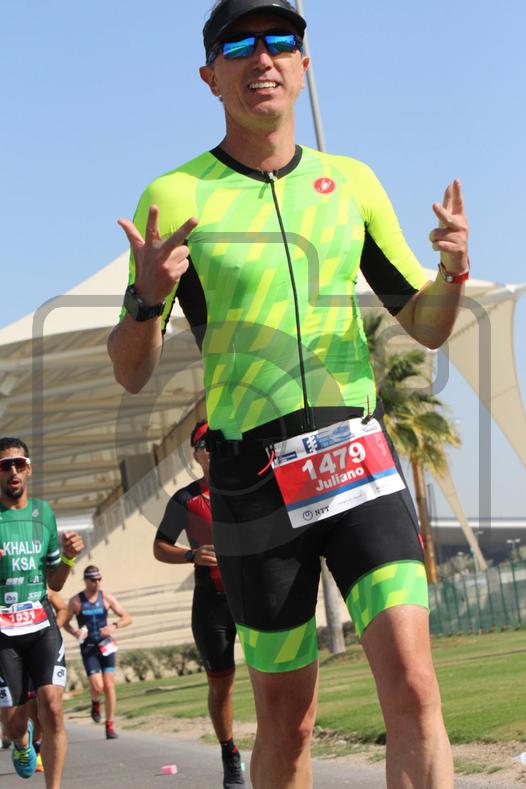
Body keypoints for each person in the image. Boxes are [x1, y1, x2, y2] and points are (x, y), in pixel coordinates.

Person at [107, 1, 470, 786]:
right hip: (253, 476)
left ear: (305, 65)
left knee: (414, 685)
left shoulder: (353, 183)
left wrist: (452, 272)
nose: (262, 56)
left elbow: (427, 324)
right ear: (210, 76)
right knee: (287, 720)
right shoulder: (175, 194)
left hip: (355, 455)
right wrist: (144, 299)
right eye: (238, 44)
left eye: (281, 40)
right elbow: (131, 369)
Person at [154, 419, 245, 788]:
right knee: (221, 684)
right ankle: (230, 754)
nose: (214, 448)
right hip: (212, 602)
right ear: (196, 454)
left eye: (219, 441)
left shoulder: (249, 486)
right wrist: (191, 555)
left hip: (252, 595)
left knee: (269, 676)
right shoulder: (185, 499)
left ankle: (275, 744)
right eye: (206, 443)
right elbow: (160, 546)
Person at [0, 437, 84, 787]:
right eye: (5, 465)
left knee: (53, 709)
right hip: (4, 633)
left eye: (19, 463)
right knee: (13, 724)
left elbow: (56, 581)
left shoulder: (43, 513)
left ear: (29, 469)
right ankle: (22, 743)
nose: (13, 470)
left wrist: (68, 558)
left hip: (40, 624)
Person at [63, 565, 132, 740]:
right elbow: (64, 622)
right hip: (88, 648)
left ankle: (109, 725)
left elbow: (127, 617)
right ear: (86, 580)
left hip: (106, 646)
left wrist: (113, 626)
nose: (97, 583)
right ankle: (95, 702)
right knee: (97, 686)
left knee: (109, 686)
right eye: (93, 580)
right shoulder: (76, 601)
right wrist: (75, 632)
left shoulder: (106, 598)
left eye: (99, 579)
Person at [26, 589, 68, 774]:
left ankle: (38, 750)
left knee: (47, 704)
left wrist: (53, 629)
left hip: (43, 651)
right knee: (30, 707)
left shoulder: (42, 588)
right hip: (15, 651)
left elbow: (63, 609)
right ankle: (25, 739)